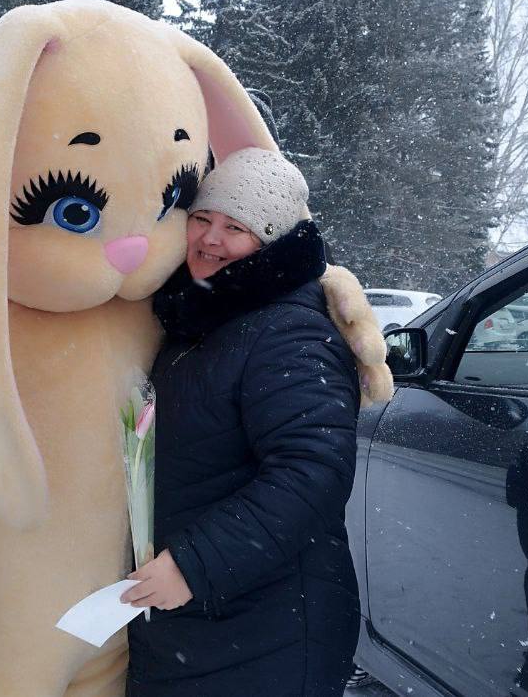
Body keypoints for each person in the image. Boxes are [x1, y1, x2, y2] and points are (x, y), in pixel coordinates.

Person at [123, 147, 364, 697]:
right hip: (205, 622)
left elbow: (313, 471)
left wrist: (196, 564)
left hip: (266, 628)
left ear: (271, 242)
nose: (210, 239)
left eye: (236, 228)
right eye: (203, 219)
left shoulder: (290, 332)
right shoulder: (203, 316)